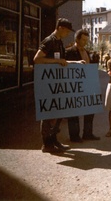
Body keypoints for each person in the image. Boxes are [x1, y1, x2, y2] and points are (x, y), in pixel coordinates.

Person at [33, 18, 82, 153]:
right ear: (60, 28)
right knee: (48, 113)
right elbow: (37, 59)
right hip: (48, 84)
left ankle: (54, 140)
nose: (67, 33)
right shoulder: (49, 41)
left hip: (57, 83)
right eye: (67, 30)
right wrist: (57, 60)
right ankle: (47, 144)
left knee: (57, 112)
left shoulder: (59, 42)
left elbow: (62, 62)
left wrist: (76, 64)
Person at [65, 29, 100, 142]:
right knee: (74, 111)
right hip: (74, 85)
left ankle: (88, 133)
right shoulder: (69, 52)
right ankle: (74, 136)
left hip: (87, 84)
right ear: (77, 39)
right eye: (83, 40)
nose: (85, 42)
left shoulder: (87, 52)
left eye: (86, 40)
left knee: (90, 108)